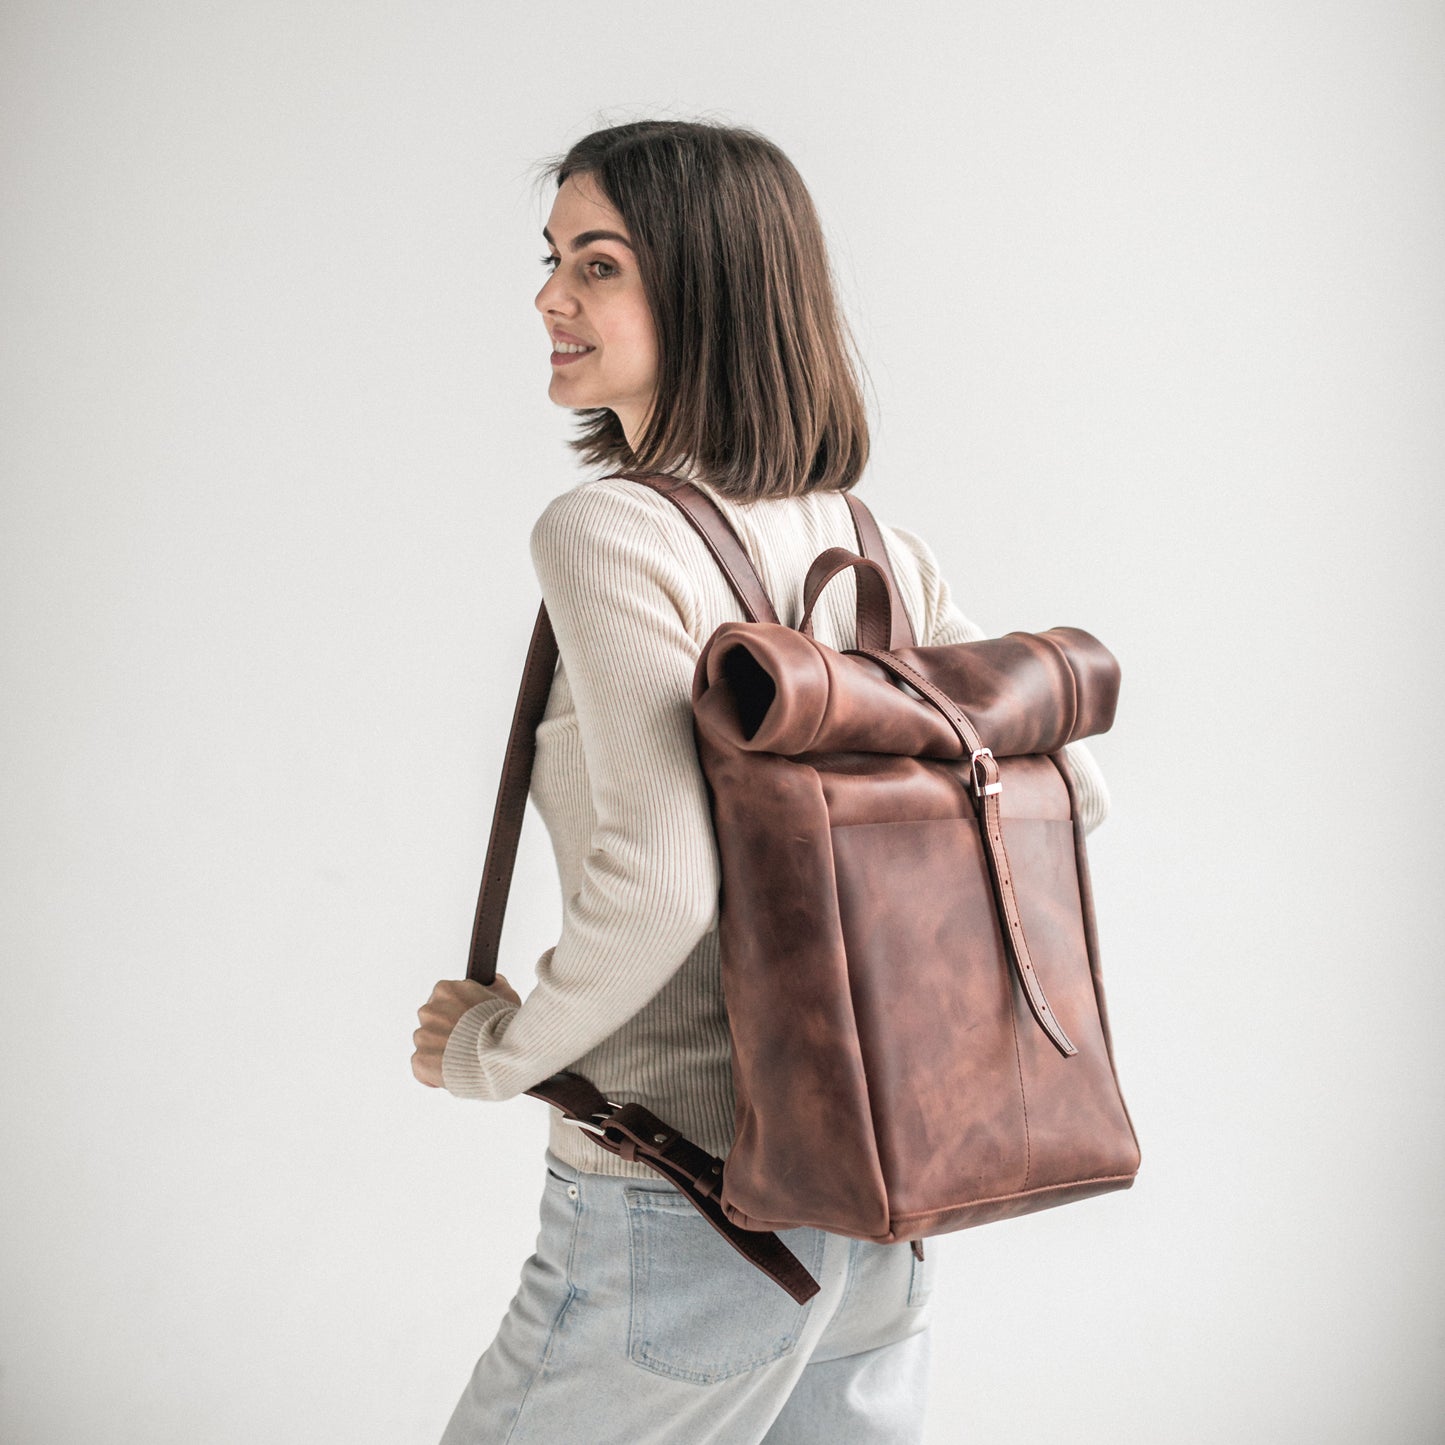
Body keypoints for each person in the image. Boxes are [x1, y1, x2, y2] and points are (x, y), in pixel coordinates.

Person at [410, 119, 1110, 1445]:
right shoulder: (875, 544)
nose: (549, 297)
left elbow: (666, 877)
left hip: (681, 1202)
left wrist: (495, 1052)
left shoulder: (611, 531)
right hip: (877, 1203)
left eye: (598, 265)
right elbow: (1066, 801)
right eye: (553, 257)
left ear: (710, 286)